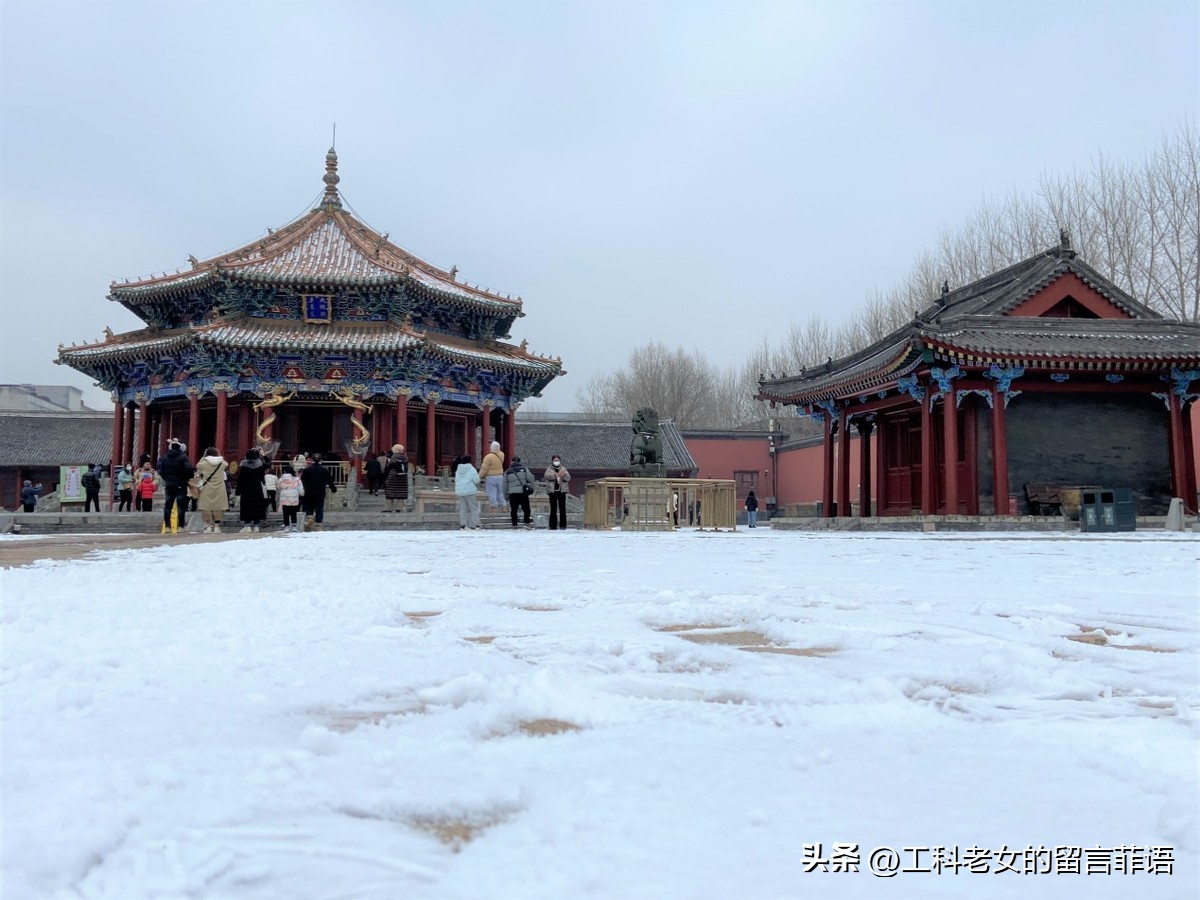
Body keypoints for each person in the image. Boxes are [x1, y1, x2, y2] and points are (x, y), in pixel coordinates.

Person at [157, 441, 195, 532]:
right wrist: (187, 478)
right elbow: (189, 469)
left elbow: (161, 471)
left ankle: (167, 526)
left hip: (169, 485)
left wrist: (167, 479)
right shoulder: (183, 458)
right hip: (181, 484)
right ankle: (180, 526)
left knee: (168, 505)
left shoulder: (165, 458)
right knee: (181, 506)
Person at [194, 447, 229, 533]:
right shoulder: (222, 463)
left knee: (206, 507)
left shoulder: (202, 464)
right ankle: (217, 526)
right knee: (218, 507)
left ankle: (208, 526)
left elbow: (198, 469)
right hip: (219, 487)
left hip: (207, 487)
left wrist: (203, 457)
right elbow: (226, 464)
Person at [300, 452, 336, 531]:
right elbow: (330, 481)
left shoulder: (307, 470)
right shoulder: (324, 470)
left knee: (309, 508)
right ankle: (318, 525)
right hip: (320, 492)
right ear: (321, 460)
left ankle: (309, 520)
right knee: (319, 509)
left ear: (312, 459)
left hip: (309, 492)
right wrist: (333, 489)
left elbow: (302, 480)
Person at [235, 447, 268, 532]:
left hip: (246, 489)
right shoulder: (260, 465)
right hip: (257, 488)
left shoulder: (243, 465)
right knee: (257, 506)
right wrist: (263, 456)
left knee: (247, 507)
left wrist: (238, 492)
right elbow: (268, 464)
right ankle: (256, 526)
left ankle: (247, 525)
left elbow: (240, 480)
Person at [504, 455, 535, 528]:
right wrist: (531, 489)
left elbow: (504, 485)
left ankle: (514, 524)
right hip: (523, 493)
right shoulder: (525, 469)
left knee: (514, 510)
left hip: (513, 493)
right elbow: (531, 479)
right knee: (526, 509)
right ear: (519, 462)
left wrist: (506, 496)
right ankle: (526, 522)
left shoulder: (507, 471)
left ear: (512, 462)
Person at [454, 454, 482, 529]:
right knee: (473, 508)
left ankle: (463, 524)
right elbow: (476, 480)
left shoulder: (458, 470)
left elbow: (456, 480)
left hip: (460, 491)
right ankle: (476, 524)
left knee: (463, 508)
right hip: (470, 491)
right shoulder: (472, 469)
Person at [543, 455, 571, 530]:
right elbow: (546, 476)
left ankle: (563, 525)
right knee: (553, 509)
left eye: (557, 460)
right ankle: (552, 525)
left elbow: (568, 478)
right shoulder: (549, 469)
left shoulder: (563, 468)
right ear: (552, 461)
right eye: (555, 460)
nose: (556, 462)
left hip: (562, 491)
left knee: (562, 509)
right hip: (552, 491)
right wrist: (554, 475)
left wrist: (563, 475)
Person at [479, 441, 506, 511]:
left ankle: (493, 507)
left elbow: (484, 468)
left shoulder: (488, 457)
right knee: (500, 492)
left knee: (492, 492)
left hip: (491, 477)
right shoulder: (502, 455)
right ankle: (503, 506)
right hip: (500, 476)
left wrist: (480, 476)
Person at [382, 444, 409, 513]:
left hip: (393, 476)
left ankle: (388, 508)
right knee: (401, 493)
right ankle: (399, 508)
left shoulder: (393, 457)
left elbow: (388, 467)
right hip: (403, 477)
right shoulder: (405, 457)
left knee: (390, 493)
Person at [277, 464, 304, 531]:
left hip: (284, 498)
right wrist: (302, 494)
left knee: (285, 512)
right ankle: (294, 526)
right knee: (293, 512)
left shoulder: (281, 479)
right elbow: (300, 489)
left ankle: (286, 526)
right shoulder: (297, 479)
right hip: (294, 497)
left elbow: (278, 487)